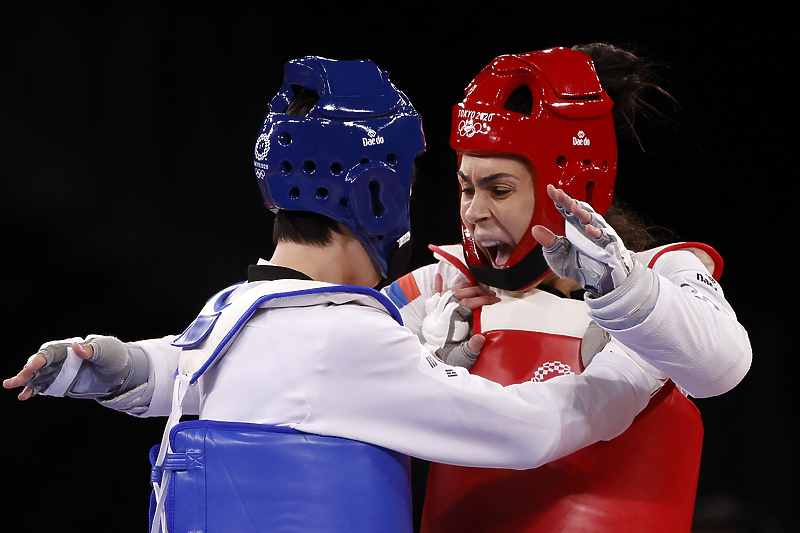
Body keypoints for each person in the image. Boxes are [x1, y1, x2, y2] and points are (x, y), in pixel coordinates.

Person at [3, 56, 662, 533]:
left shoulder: (235, 310)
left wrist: (118, 365)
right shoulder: (341, 336)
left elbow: (190, 363)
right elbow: (527, 431)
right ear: (377, 193)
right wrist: (633, 363)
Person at [382, 44, 752, 532]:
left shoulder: (664, 276)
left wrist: (628, 296)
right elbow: (331, 377)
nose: (472, 211)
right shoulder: (444, 283)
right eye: (467, 187)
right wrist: (419, 375)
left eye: (499, 189)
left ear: (569, 187)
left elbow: (723, 368)